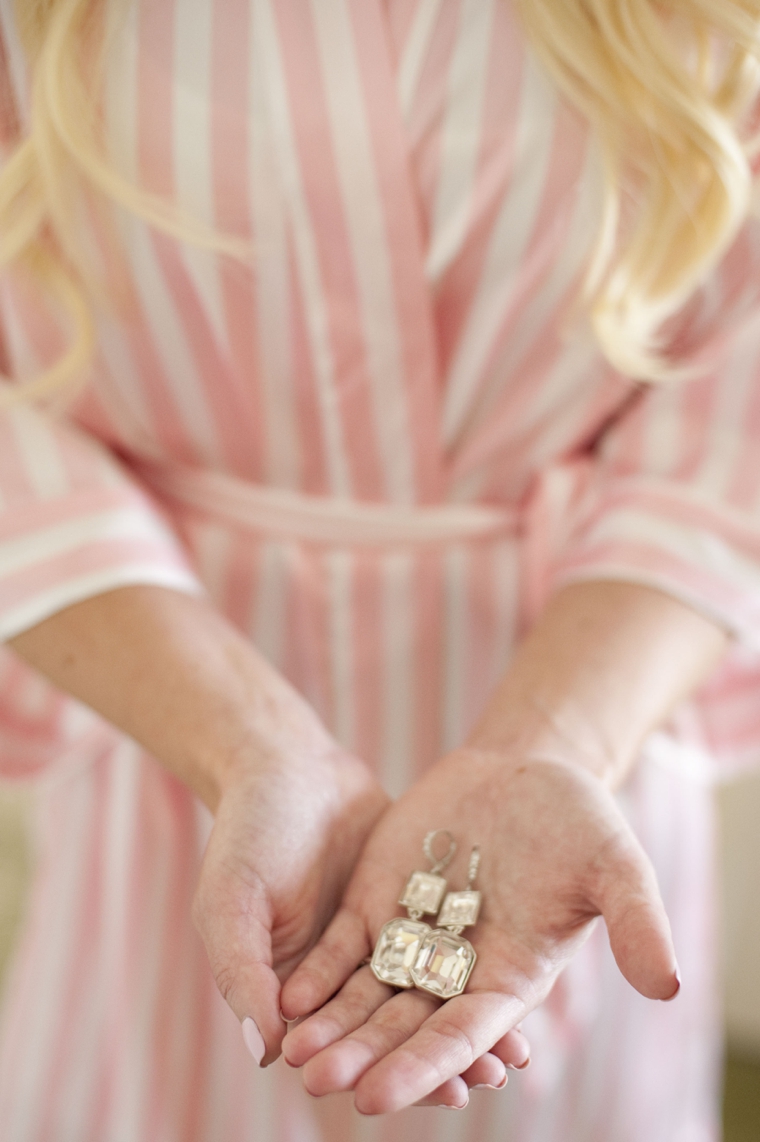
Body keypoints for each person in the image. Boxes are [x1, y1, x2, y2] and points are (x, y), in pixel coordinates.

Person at [0, 0, 758, 1138]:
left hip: (592, 703)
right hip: (163, 722)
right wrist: (244, 742)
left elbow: (731, 407)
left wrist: (543, 742)